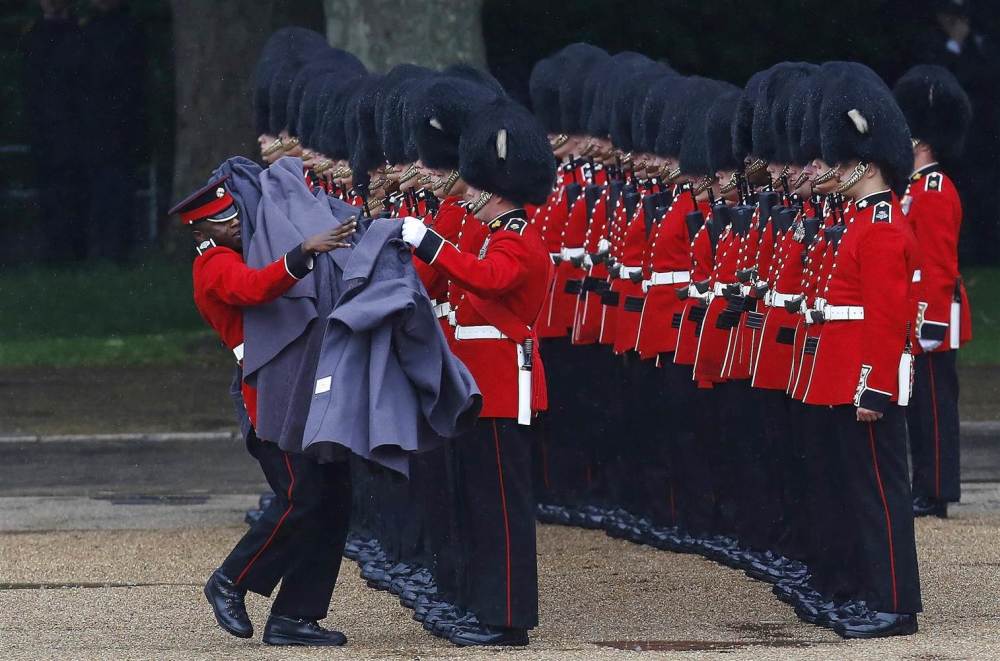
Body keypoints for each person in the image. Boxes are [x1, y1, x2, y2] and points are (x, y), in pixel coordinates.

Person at [170, 175, 357, 647]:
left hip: (296, 385)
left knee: (332, 500)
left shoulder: (237, 248)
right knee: (301, 495)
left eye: (235, 217)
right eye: (224, 221)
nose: (237, 226)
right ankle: (231, 579)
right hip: (268, 393)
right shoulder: (212, 263)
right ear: (202, 231)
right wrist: (303, 252)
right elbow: (253, 289)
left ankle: (296, 614)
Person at [401, 97, 555, 647]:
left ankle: (509, 620)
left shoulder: (520, 243)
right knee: (475, 505)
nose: (470, 198)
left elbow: (488, 281)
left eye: (476, 190)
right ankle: (481, 606)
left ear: (494, 189)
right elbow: (447, 281)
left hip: (501, 387)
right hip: (475, 386)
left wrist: (432, 240)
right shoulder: (493, 236)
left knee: (501, 512)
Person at [894, 64, 974, 518]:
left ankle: (937, 490)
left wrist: (931, 322)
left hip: (934, 315)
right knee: (921, 407)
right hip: (920, 311)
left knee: (935, 408)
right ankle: (925, 483)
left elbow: (939, 264)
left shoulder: (936, 189)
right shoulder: (918, 188)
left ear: (921, 141)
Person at [20, 0, 87, 263]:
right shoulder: (34, 35)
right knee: (50, 192)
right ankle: (55, 251)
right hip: (47, 129)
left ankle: (74, 250)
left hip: (74, 127)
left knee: (73, 191)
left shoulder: (79, 33)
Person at [79, 0, 146, 263]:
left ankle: (117, 248)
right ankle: (105, 246)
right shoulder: (91, 31)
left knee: (116, 187)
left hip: (117, 124)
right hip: (99, 124)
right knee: (102, 188)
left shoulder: (127, 29)